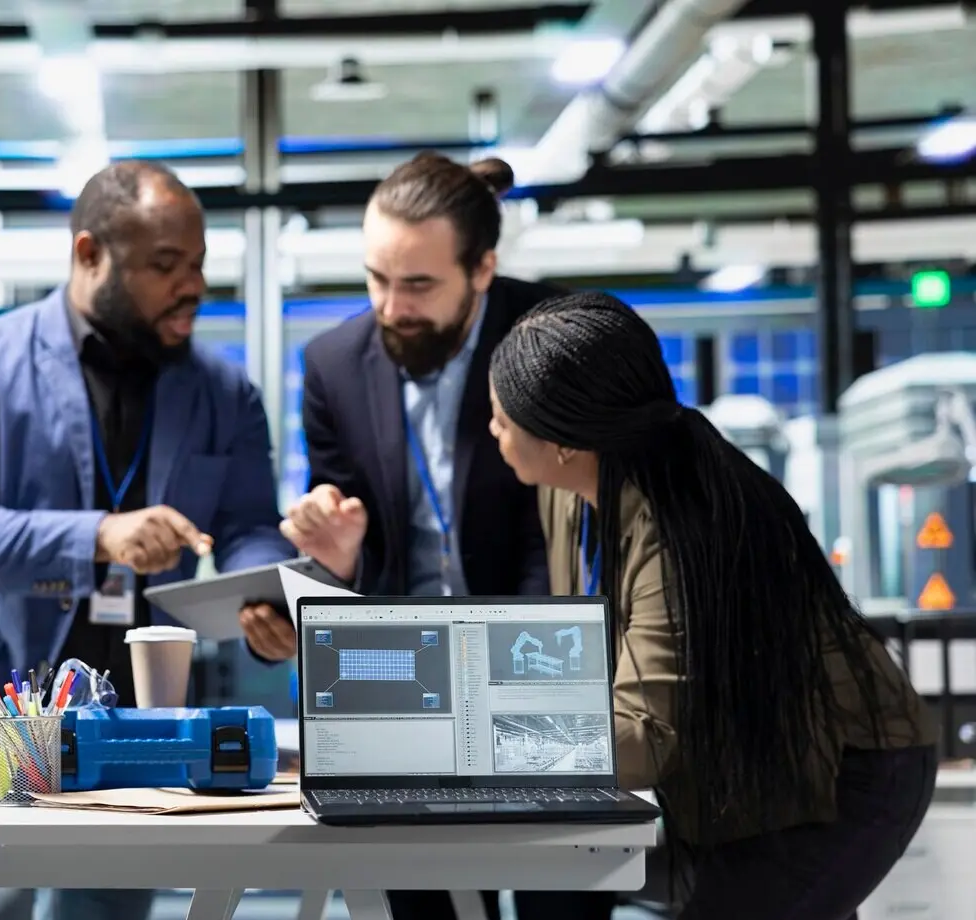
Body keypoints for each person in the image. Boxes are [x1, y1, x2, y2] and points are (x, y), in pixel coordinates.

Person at [0, 159, 299, 920]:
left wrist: (265, 598)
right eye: (166, 266)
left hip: (135, 741)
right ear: (89, 256)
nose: (194, 286)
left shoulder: (222, 392)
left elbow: (246, 528)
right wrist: (102, 536)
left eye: (201, 264)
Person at [486, 291, 938, 920]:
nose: (493, 431)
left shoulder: (675, 525)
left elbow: (644, 735)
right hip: (755, 771)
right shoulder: (571, 491)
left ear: (564, 439)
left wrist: (482, 742)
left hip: (849, 772)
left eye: (502, 419)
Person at [279, 152, 599, 920]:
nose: (392, 307)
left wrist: (517, 674)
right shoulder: (331, 366)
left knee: (564, 903)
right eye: (376, 279)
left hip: (544, 663)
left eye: (419, 285)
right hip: (403, 690)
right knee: (429, 908)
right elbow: (362, 559)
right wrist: (341, 556)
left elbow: (560, 520)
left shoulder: (550, 337)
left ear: (482, 268)